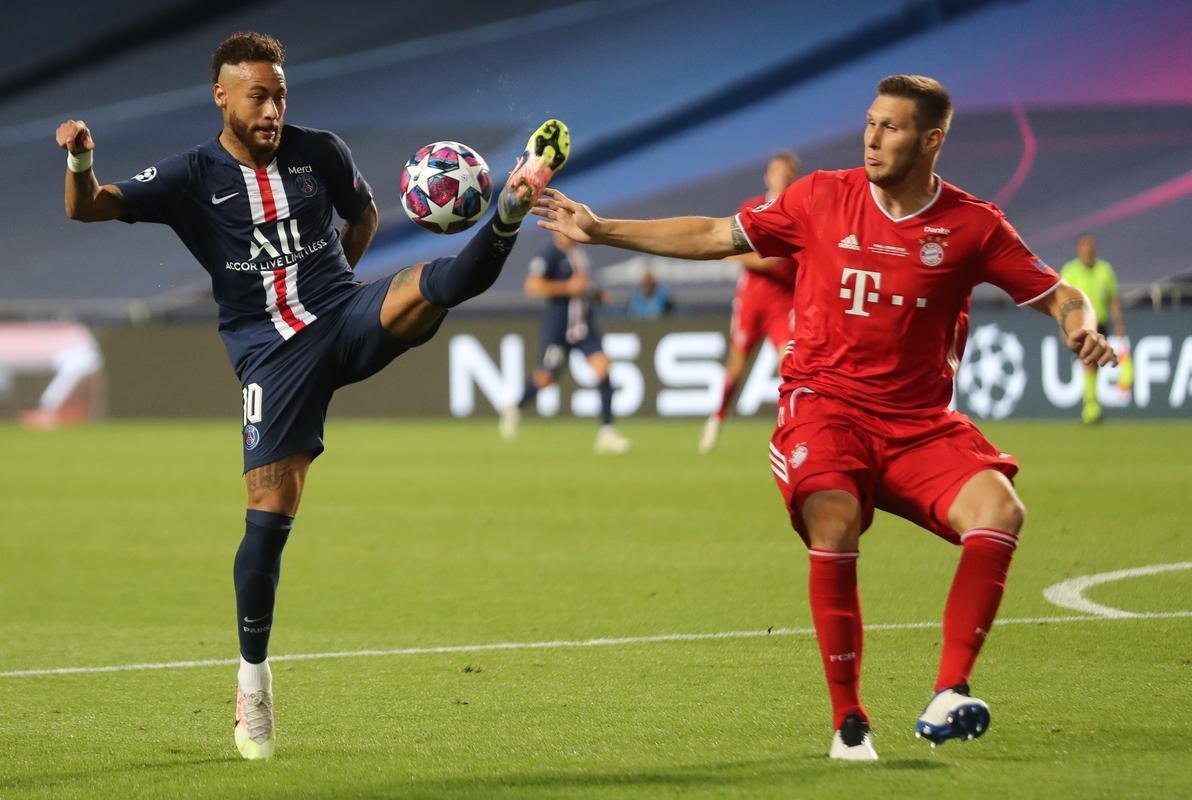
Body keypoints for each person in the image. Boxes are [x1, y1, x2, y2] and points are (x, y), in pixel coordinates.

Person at [535, 74, 1116, 761]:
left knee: (1000, 509)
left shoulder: (973, 225)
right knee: (834, 517)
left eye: (891, 127)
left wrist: (1080, 325)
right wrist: (603, 229)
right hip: (825, 408)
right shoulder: (819, 198)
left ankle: (949, 691)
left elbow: (1059, 293)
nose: (872, 137)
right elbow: (717, 234)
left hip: (919, 423)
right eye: (870, 122)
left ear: (931, 141)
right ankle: (850, 722)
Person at [55, 31, 570, 761]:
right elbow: (89, 208)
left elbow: (363, 216)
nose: (271, 110)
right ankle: (253, 680)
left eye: (279, 96)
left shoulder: (320, 152)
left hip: (342, 311)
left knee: (437, 285)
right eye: (257, 97)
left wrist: (338, 289)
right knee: (269, 515)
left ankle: (509, 211)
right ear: (222, 97)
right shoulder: (190, 176)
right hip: (271, 357)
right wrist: (80, 159)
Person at [700, 152, 800, 454]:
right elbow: (732, 247)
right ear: (767, 176)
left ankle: (790, 428)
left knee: (790, 365)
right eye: (775, 171)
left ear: (793, 176)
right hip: (752, 300)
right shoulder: (751, 207)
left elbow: (771, 261)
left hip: (784, 301)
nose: (780, 177)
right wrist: (745, 257)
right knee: (737, 365)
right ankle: (717, 418)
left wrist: (742, 257)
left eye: (785, 172)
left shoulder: (799, 210)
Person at [499, 232, 631, 454]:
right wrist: (567, 287)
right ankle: (515, 407)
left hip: (583, 328)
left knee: (603, 367)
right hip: (559, 331)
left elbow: (583, 285)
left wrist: (596, 294)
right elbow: (532, 286)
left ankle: (607, 432)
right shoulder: (549, 255)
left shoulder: (580, 254)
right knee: (545, 378)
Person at [1060, 234, 1128, 423]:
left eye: (1090, 245)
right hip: (1079, 325)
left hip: (1100, 324)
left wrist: (1119, 322)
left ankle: (1091, 405)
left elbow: (1113, 300)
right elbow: (1061, 302)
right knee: (1089, 362)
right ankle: (1090, 407)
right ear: (1078, 249)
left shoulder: (1105, 270)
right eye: (1084, 245)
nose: (1088, 249)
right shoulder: (1070, 271)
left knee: (1094, 364)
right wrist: (1062, 327)